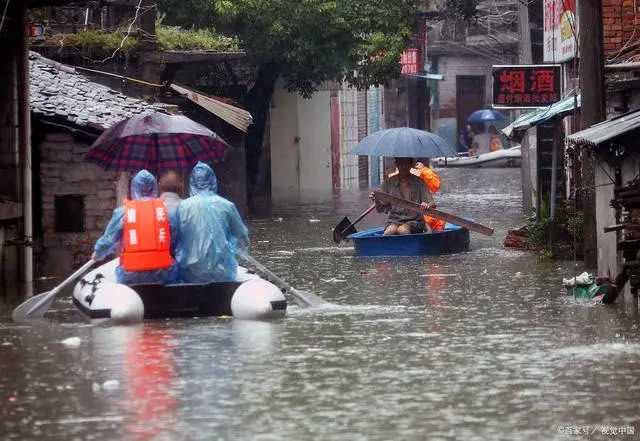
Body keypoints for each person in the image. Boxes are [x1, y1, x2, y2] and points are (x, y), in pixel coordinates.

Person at [92, 170, 179, 285]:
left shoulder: (123, 211)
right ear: (155, 188)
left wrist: (98, 254)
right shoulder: (165, 210)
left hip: (130, 274)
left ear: (133, 188)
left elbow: (108, 241)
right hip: (162, 273)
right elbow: (175, 237)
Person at [175, 161, 249, 283]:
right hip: (222, 273)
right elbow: (242, 237)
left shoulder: (183, 207)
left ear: (191, 182)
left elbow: (175, 239)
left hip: (191, 273)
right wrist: (230, 245)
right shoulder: (227, 205)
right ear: (213, 180)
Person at [374, 157, 434, 236]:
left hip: (415, 221)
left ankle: (410, 247)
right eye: (400, 164)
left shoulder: (419, 182)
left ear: (411, 165)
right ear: (396, 165)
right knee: (390, 231)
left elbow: (432, 204)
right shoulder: (388, 182)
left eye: (406, 164)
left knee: (402, 230)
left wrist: (426, 205)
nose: (403, 166)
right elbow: (380, 209)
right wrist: (377, 200)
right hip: (394, 220)